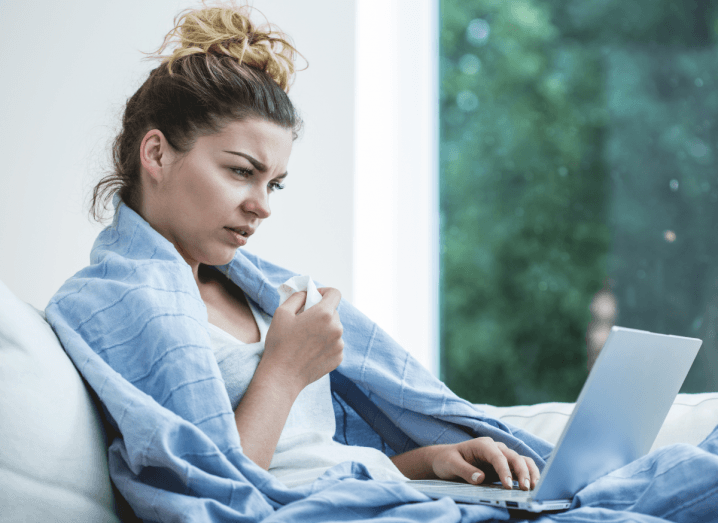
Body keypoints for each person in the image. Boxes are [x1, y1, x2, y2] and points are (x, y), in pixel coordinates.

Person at [46, 4, 718, 522]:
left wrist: (432, 458)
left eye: (273, 183)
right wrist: (283, 369)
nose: (261, 206)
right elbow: (215, 494)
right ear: (156, 155)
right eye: (241, 172)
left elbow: (320, 452)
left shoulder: (259, 290)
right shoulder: (112, 302)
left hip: (393, 495)